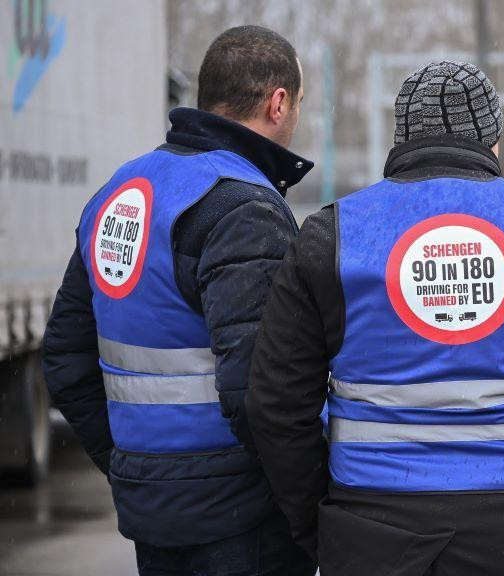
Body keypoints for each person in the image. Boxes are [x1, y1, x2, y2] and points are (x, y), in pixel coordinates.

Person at [247, 60, 504, 576]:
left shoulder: (332, 236)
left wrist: (323, 517)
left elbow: (274, 406)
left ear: (400, 138)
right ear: (493, 142)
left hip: (372, 535)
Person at [42, 25, 316, 576]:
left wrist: (135, 472)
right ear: (278, 102)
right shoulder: (242, 208)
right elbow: (262, 392)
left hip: (155, 517)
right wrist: (309, 506)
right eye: (300, 104)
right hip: (242, 523)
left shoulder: (120, 192)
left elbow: (65, 360)